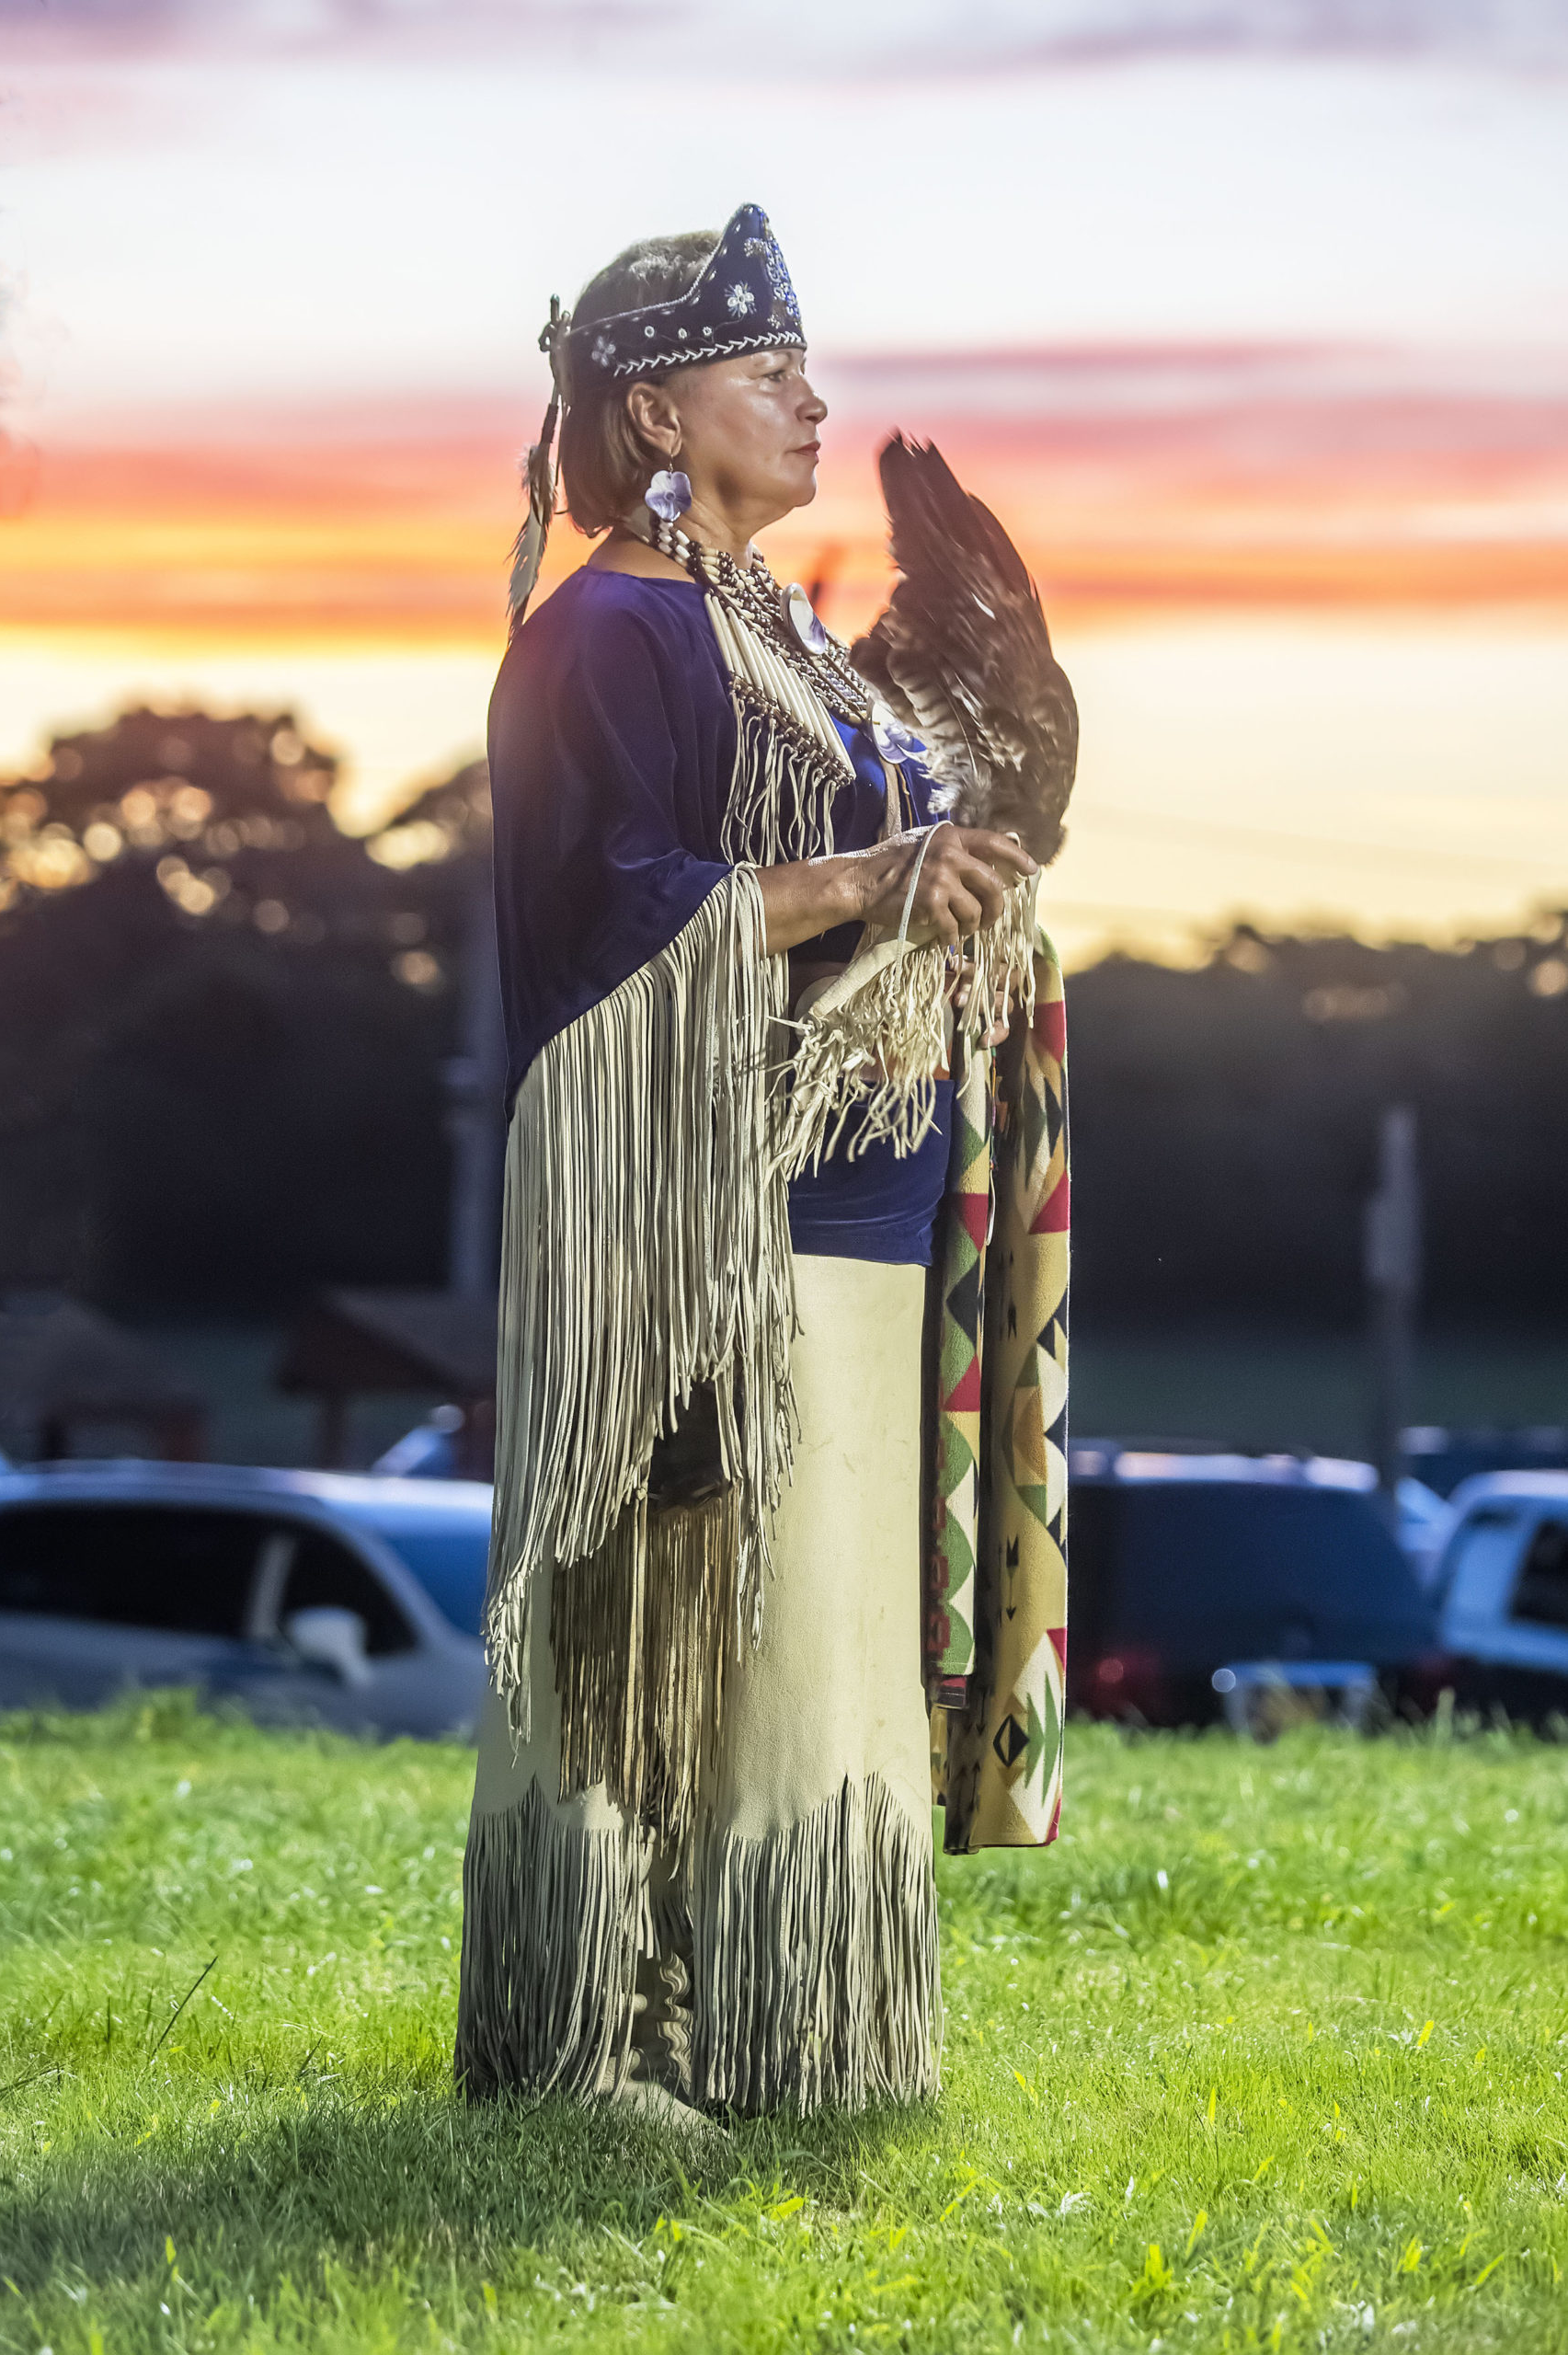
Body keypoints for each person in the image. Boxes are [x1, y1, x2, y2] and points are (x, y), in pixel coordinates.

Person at [456, 205, 1068, 2120]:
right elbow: (602, 926)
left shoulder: (788, 636)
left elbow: (890, 872)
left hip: (867, 1198)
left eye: (804, 362)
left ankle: (795, 2016)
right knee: (670, 1592)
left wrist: (959, 893)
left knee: (816, 1611)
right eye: (761, 365)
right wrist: (870, 877)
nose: (811, 397)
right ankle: (604, 2028)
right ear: (652, 405)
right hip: (691, 1207)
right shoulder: (600, 634)